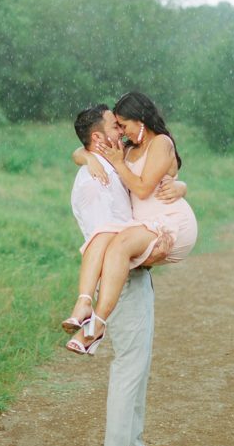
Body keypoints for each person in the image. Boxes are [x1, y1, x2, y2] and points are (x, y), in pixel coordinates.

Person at [68, 103, 177, 446]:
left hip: (137, 273)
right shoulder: (93, 180)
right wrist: (149, 253)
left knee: (141, 360)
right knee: (128, 364)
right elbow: (105, 240)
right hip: (122, 279)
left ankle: (132, 445)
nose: (123, 131)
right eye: (115, 126)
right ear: (99, 136)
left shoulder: (111, 166)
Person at [64, 92, 198, 356]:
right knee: (112, 243)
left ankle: (98, 324)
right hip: (143, 225)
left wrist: (181, 187)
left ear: (141, 120)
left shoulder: (160, 142)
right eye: (118, 126)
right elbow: (80, 149)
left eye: (123, 124)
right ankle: (91, 321)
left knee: (119, 244)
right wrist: (90, 159)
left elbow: (143, 187)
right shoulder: (127, 148)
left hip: (170, 223)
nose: (122, 131)